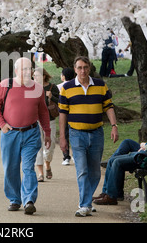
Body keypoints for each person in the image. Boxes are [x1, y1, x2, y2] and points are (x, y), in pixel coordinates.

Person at [59, 56, 119, 217]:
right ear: (75, 69)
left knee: (95, 172)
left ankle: (86, 200)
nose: (83, 71)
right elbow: (63, 113)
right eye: (79, 68)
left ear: (90, 68)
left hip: (97, 133)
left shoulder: (100, 85)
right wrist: (62, 137)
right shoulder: (67, 88)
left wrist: (114, 126)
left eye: (85, 67)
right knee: (82, 170)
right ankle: (85, 204)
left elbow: (109, 106)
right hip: (76, 134)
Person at [0, 57, 51, 215]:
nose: (27, 72)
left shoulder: (37, 88)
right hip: (10, 134)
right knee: (10, 168)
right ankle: (15, 199)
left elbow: (43, 112)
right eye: (23, 69)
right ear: (16, 71)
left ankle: (29, 200)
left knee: (28, 168)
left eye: (29, 69)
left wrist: (47, 133)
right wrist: (2, 124)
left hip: (31, 133)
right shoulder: (6, 85)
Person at [33, 67, 60, 181]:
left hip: (50, 120)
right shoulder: (31, 88)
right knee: (37, 147)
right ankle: (40, 173)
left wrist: (51, 96)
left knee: (50, 146)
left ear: (44, 76)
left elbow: (61, 101)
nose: (35, 78)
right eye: (33, 76)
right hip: (35, 121)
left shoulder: (52, 87)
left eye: (37, 75)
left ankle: (47, 164)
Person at [57, 67, 75, 166]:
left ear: (63, 76)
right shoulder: (75, 86)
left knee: (65, 134)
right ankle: (75, 155)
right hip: (75, 113)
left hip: (64, 114)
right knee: (74, 134)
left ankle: (66, 157)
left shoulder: (59, 87)